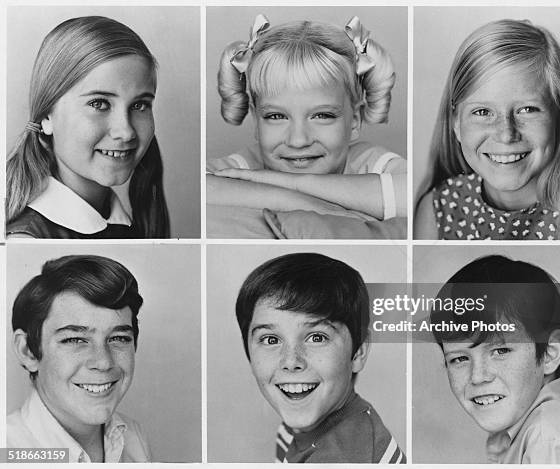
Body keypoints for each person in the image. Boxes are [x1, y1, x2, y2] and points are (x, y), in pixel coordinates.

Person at [414, 19, 560, 240]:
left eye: (527, 109)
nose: (506, 134)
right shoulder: (438, 210)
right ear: (456, 123)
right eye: (483, 112)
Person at [208, 15, 406, 221]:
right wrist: (308, 203)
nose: (298, 140)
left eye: (322, 115)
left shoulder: (370, 163)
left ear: (355, 120)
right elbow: (206, 188)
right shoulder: (243, 165)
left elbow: (412, 197)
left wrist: (294, 184)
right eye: (276, 116)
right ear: (256, 121)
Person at [430, 255, 560, 464]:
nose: (478, 377)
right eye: (459, 358)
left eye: (501, 351)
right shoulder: (536, 431)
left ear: (550, 352)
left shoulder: (548, 440)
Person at [6, 16, 169, 239]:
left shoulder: (125, 222)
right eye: (99, 104)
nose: (126, 131)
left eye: (139, 105)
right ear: (46, 116)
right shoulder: (25, 239)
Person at [235, 253, 405, 463]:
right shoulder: (301, 425)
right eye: (270, 340)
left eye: (316, 337)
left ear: (358, 351)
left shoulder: (343, 455)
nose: (291, 361)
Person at [8, 255, 151, 463]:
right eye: (75, 339)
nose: (103, 362)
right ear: (28, 351)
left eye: (118, 338)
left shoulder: (134, 437)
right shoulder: (8, 450)